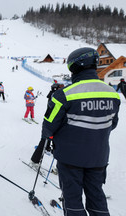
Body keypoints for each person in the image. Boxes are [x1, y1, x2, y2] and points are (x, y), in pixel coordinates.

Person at [41, 47, 120, 216]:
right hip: (98, 157)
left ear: (74, 68)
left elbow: (48, 127)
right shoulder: (112, 93)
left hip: (70, 158)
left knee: (72, 199)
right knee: (96, 197)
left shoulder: (64, 94)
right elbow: (112, 123)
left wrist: (54, 136)